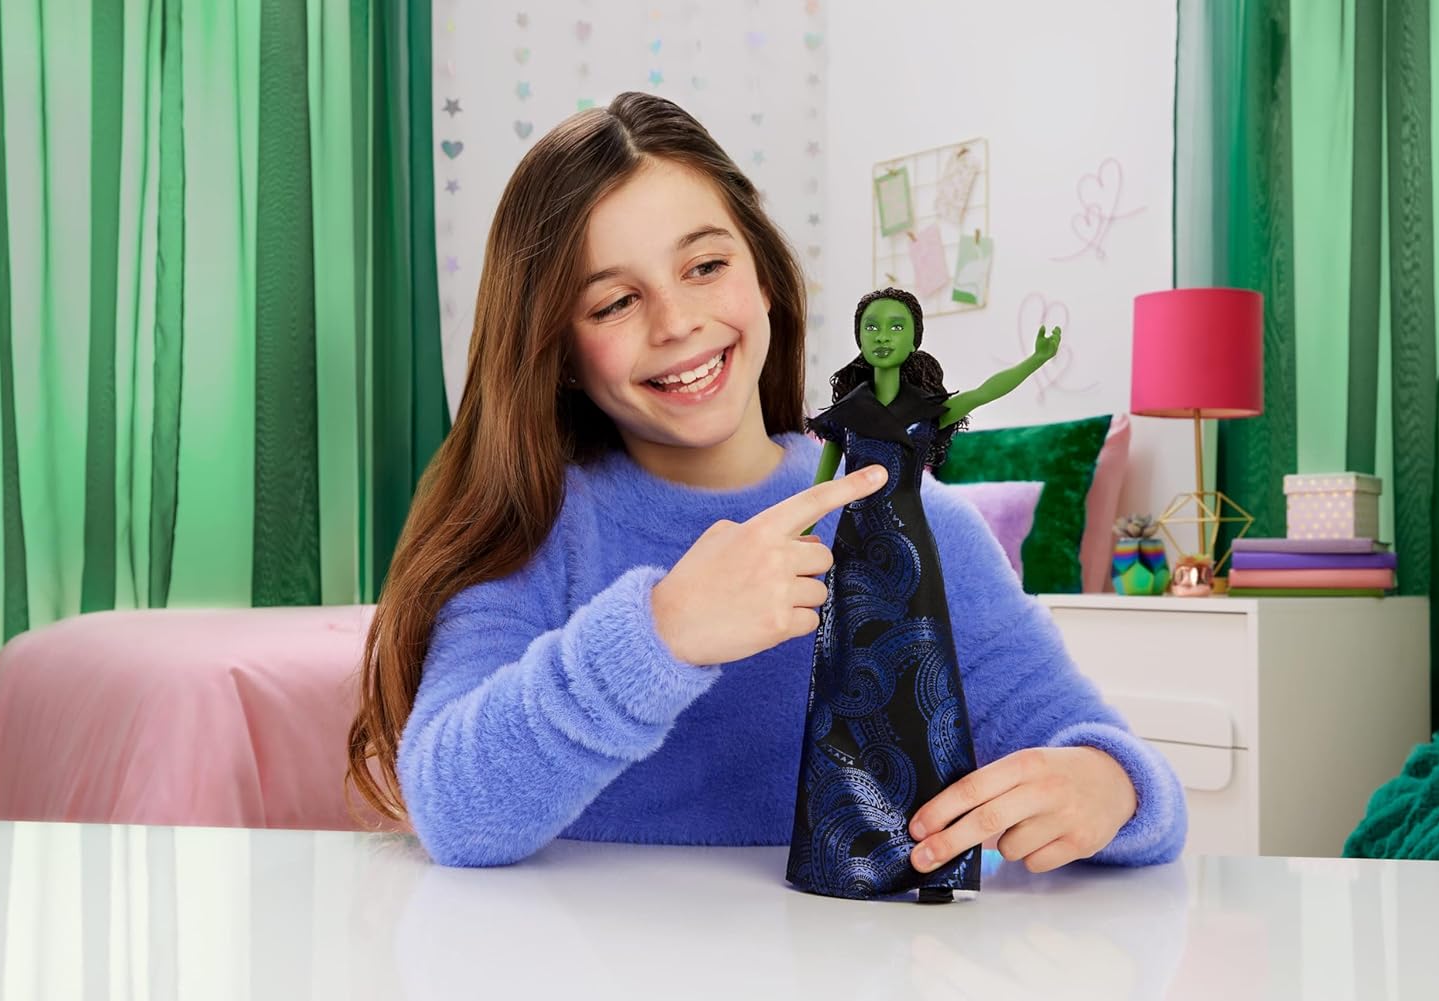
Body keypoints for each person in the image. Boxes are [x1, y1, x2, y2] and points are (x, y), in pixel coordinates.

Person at [345, 92, 1187, 881]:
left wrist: (1110, 785)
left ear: (765, 278)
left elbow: (1122, 775)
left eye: (706, 265)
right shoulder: (535, 529)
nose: (677, 322)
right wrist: (662, 632)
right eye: (614, 303)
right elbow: (453, 811)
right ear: (559, 351)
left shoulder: (920, 526)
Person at [785, 287, 1061, 901]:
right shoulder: (846, 414)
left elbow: (985, 391)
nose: (883, 336)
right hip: (855, 556)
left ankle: (933, 864)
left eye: (895, 327)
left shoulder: (926, 407)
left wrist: (1036, 361)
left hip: (910, 553)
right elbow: (818, 492)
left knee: (922, 681)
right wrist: (799, 536)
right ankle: (839, 858)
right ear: (859, 337)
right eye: (872, 327)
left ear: (914, 338)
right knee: (846, 681)